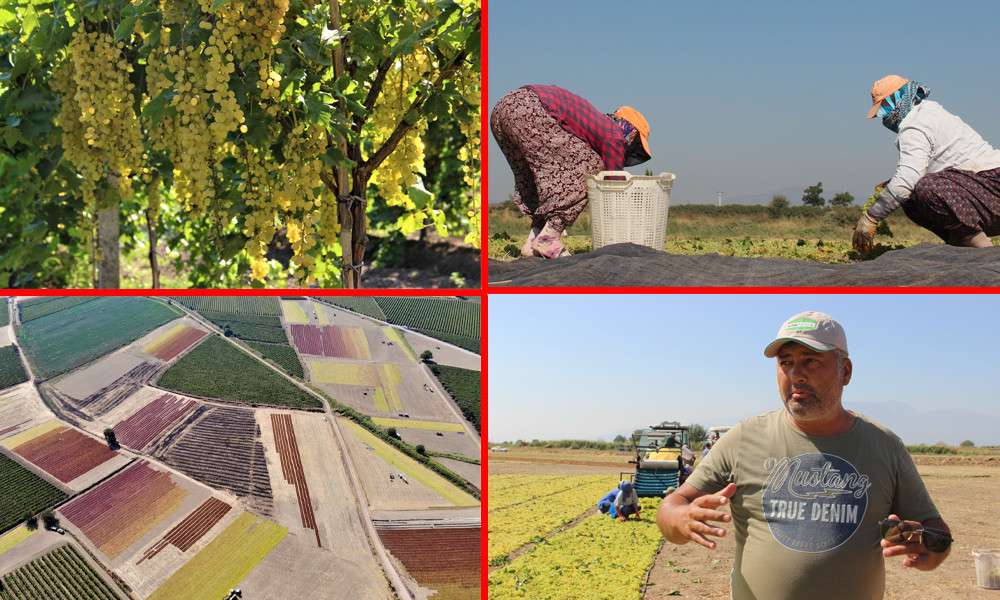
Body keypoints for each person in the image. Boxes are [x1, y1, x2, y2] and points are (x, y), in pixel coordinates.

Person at [656, 311, 951, 600]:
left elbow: (936, 532)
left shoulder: (884, 446)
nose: (796, 374)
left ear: (845, 371)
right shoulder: (743, 439)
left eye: (811, 361)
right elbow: (671, 507)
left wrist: (931, 548)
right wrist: (680, 518)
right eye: (786, 363)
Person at [490, 85, 653, 259]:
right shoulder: (614, 134)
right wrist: (623, 212)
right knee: (592, 167)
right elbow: (613, 181)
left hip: (503, 110)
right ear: (632, 133)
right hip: (530, 108)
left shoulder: (598, 125)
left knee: (537, 176)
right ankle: (549, 238)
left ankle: (534, 240)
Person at [854, 75, 1000, 251]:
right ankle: (964, 248)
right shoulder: (929, 111)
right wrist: (892, 187)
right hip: (984, 189)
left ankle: (983, 251)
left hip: (991, 186)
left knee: (925, 188)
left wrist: (871, 217)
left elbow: (907, 179)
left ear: (899, 99)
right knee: (911, 196)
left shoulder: (914, 126)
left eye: (885, 109)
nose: (884, 117)